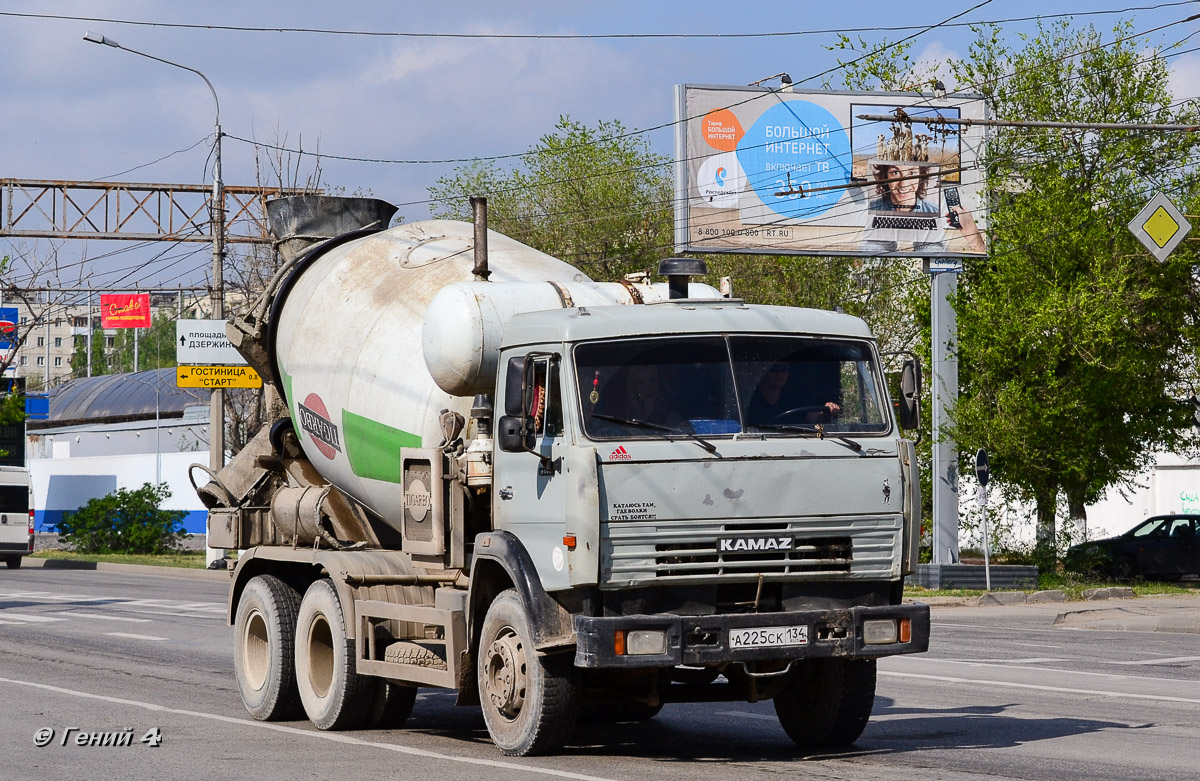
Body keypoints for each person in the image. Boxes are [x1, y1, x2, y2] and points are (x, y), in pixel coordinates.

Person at [746, 363, 840, 425]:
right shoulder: (749, 401)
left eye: (784, 369)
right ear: (763, 372)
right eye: (775, 369)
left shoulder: (794, 399)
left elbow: (812, 417)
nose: (780, 373)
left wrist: (826, 413)